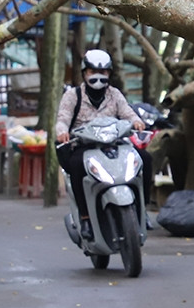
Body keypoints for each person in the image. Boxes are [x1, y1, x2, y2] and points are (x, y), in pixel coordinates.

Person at [56, 49, 147, 236]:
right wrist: (62, 132)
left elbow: (127, 113)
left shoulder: (115, 94)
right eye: (92, 72)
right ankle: (85, 219)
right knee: (76, 167)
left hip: (114, 145)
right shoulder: (73, 96)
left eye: (103, 72)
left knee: (145, 159)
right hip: (84, 147)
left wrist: (136, 121)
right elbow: (63, 118)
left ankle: (142, 213)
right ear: (84, 73)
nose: (98, 76)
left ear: (109, 74)